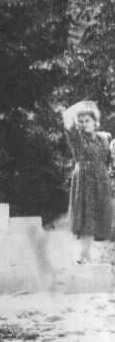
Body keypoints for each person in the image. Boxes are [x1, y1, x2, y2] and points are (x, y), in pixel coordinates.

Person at [61, 99, 113, 262]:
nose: (84, 124)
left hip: (100, 180)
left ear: (95, 122)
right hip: (84, 180)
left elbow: (109, 159)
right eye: (81, 121)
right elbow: (67, 117)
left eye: (87, 121)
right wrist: (82, 105)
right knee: (85, 217)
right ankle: (84, 254)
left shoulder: (104, 138)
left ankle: (86, 253)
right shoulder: (77, 139)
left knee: (97, 217)